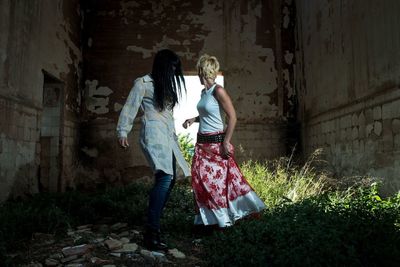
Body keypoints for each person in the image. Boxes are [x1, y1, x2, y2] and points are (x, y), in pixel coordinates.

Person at [117, 49, 190, 250]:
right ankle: (152, 233)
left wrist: (175, 137)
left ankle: (153, 223)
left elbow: (169, 116)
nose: (175, 72)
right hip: (153, 134)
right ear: (163, 66)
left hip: (168, 136)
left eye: (177, 68)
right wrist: (123, 132)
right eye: (172, 67)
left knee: (171, 179)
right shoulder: (143, 83)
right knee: (165, 177)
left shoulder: (165, 85)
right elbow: (130, 107)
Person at [183, 54, 265, 228]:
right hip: (201, 146)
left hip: (216, 145)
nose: (198, 74)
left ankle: (224, 222)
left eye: (199, 70)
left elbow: (233, 116)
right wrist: (193, 119)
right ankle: (210, 220)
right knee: (201, 183)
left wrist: (225, 142)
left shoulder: (218, 90)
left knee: (217, 185)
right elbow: (208, 114)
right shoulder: (203, 92)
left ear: (203, 70)